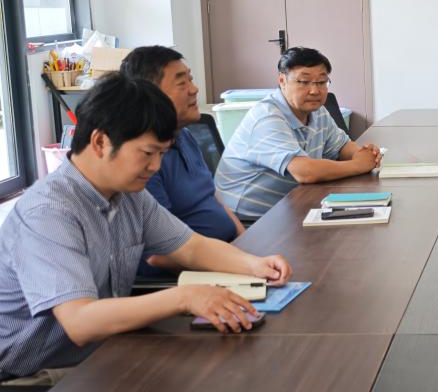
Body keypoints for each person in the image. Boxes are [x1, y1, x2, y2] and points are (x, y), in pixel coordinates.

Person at [0, 74, 292, 384]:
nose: (155, 166)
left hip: (103, 350)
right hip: (35, 374)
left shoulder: (129, 195)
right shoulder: (49, 212)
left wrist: (255, 265)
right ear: (100, 142)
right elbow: (80, 321)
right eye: (148, 153)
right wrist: (183, 297)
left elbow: (191, 247)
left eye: (162, 154)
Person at [120, 46, 244, 276]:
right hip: (191, 275)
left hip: (227, 256)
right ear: (151, 94)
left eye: (191, 79)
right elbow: (160, 255)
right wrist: (237, 262)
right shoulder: (143, 160)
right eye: (181, 83)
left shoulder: (184, 134)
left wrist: (245, 241)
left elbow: (213, 197)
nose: (194, 89)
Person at [215, 47, 381, 218]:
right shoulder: (267, 117)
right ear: (282, 81)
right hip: (248, 220)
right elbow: (305, 172)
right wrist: (358, 165)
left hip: (291, 206)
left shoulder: (317, 111)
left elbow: (342, 147)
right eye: (304, 82)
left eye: (321, 82)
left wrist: (363, 154)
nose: (315, 91)